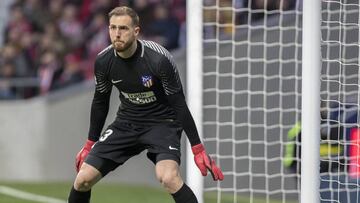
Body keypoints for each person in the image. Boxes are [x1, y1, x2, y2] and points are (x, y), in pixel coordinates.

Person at [68, 6, 224, 203]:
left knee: (169, 178)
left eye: (123, 28)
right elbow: (100, 101)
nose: (117, 33)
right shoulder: (103, 61)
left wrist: (197, 148)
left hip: (163, 122)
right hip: (127, 121)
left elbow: (178, 104)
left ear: (136, 31)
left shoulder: (158, 59)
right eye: (113, 28)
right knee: (82, 179)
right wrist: (90, 143)